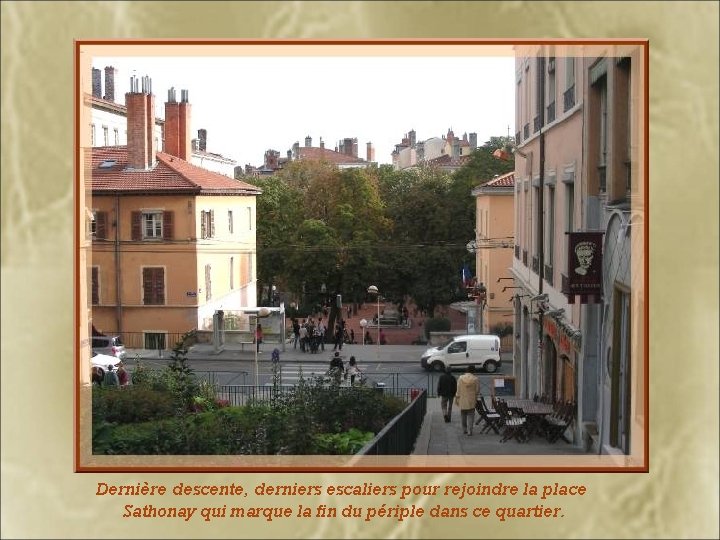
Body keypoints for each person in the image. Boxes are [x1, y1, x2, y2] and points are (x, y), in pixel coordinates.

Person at [455, 365, 480, 435]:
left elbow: (458, 389)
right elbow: (477, 390)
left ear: (467, 370)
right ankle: (470, 430)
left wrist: (457, 397)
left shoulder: (460, 378)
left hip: (462, 398)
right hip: (471, 399)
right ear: (473, 371)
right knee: (471, 415)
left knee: (463, 414)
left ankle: (464, 429)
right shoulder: (475, 379)